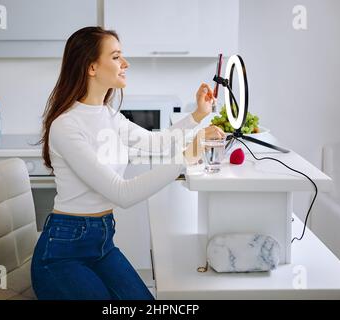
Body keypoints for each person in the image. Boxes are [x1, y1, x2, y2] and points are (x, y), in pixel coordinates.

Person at [31, 26, 226, 300]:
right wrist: (188, 155)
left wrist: (198, 114)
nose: (125, 64)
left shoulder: (110, 116)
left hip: (102, 244)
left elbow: (157, 142)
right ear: (91, 68)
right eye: (116, 57)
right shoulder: (66, 126)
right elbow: (122, 193)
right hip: (63, 253)